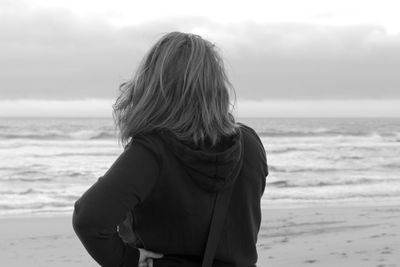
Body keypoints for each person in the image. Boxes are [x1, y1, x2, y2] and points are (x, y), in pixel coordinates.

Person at [72, 31, 268, 267]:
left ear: (154, 85)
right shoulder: (249, 144)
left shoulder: (154, 150)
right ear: (216, 85)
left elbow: (89, 219)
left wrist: (128, 260)